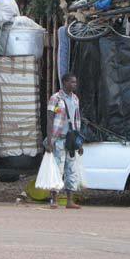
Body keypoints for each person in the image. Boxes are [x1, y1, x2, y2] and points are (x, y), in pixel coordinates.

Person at [46, 73, 83, 210]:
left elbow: (77, 120)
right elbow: (50, 119)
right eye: (72, 82)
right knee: (57, 170)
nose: (74, 84)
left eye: (75, 82)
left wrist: (79, 143)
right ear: (64, 82)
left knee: (71, 170)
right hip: (59, 139)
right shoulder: (55, 98)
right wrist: (50, 141)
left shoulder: (75, 99)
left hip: (71, 140)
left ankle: (69, 201)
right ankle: (53, 200)